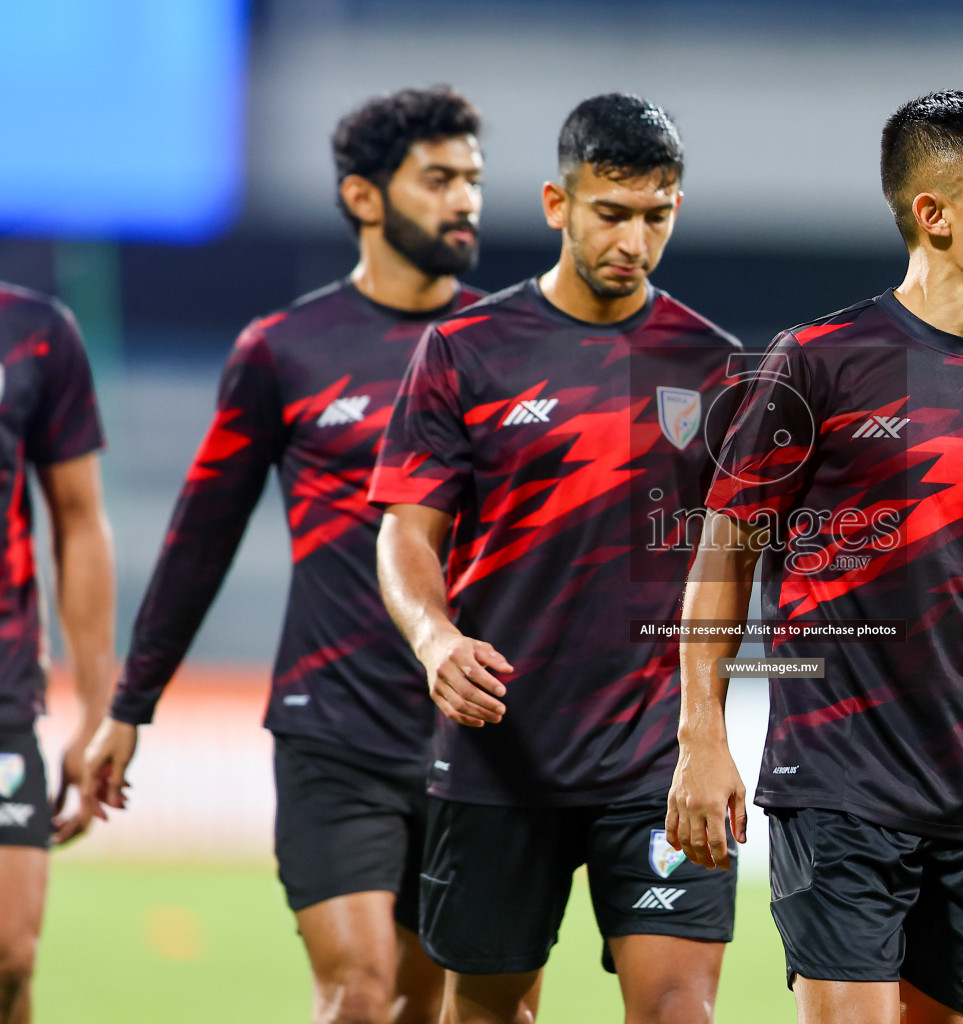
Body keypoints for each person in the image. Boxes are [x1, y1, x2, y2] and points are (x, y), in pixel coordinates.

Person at [667, 89, 963, 1024]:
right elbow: (724, 550)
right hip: (838, 785)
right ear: (934, 216)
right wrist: (702, 732)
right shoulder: (819, 363)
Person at [83, 86, 486, 1024]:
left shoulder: (501, 347)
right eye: (437, 179)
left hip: (473, 735)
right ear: (364, 198)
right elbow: (200, 536)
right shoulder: (284, 351)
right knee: (358, 988)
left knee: (433, 1005)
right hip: (330, 725)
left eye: (471, 179)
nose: (464, 199)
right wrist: (129, 705)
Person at [371, 93, 742, 1024]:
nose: (634, 241)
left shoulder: (718, 369)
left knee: (680, 1014)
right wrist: (433, 640)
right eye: (611, 214)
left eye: (656, 217)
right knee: (490, 1010)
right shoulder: (465, 351)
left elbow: (736, 564)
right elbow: (406, 530)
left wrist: (708, 731)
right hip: (504, 751)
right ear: (555, 205)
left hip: (656, 757)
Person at [0, 282, 115, 1024]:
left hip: (3, 695)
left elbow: (79, 521)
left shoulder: (36, 332)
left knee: (8, 958)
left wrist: (99, 708)